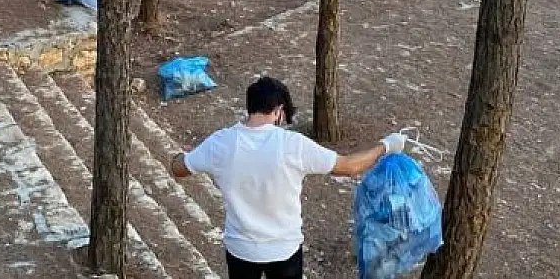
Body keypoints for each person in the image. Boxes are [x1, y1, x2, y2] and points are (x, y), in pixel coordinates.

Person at [171, 77, 408, 279]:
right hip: (284, 249)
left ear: (249, 108)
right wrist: (385, 145)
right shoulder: (293, 145)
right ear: (278, 111)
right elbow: (348, 167)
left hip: (240, 249)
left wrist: (180, 157)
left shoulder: (220, 143)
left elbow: (180, 169)